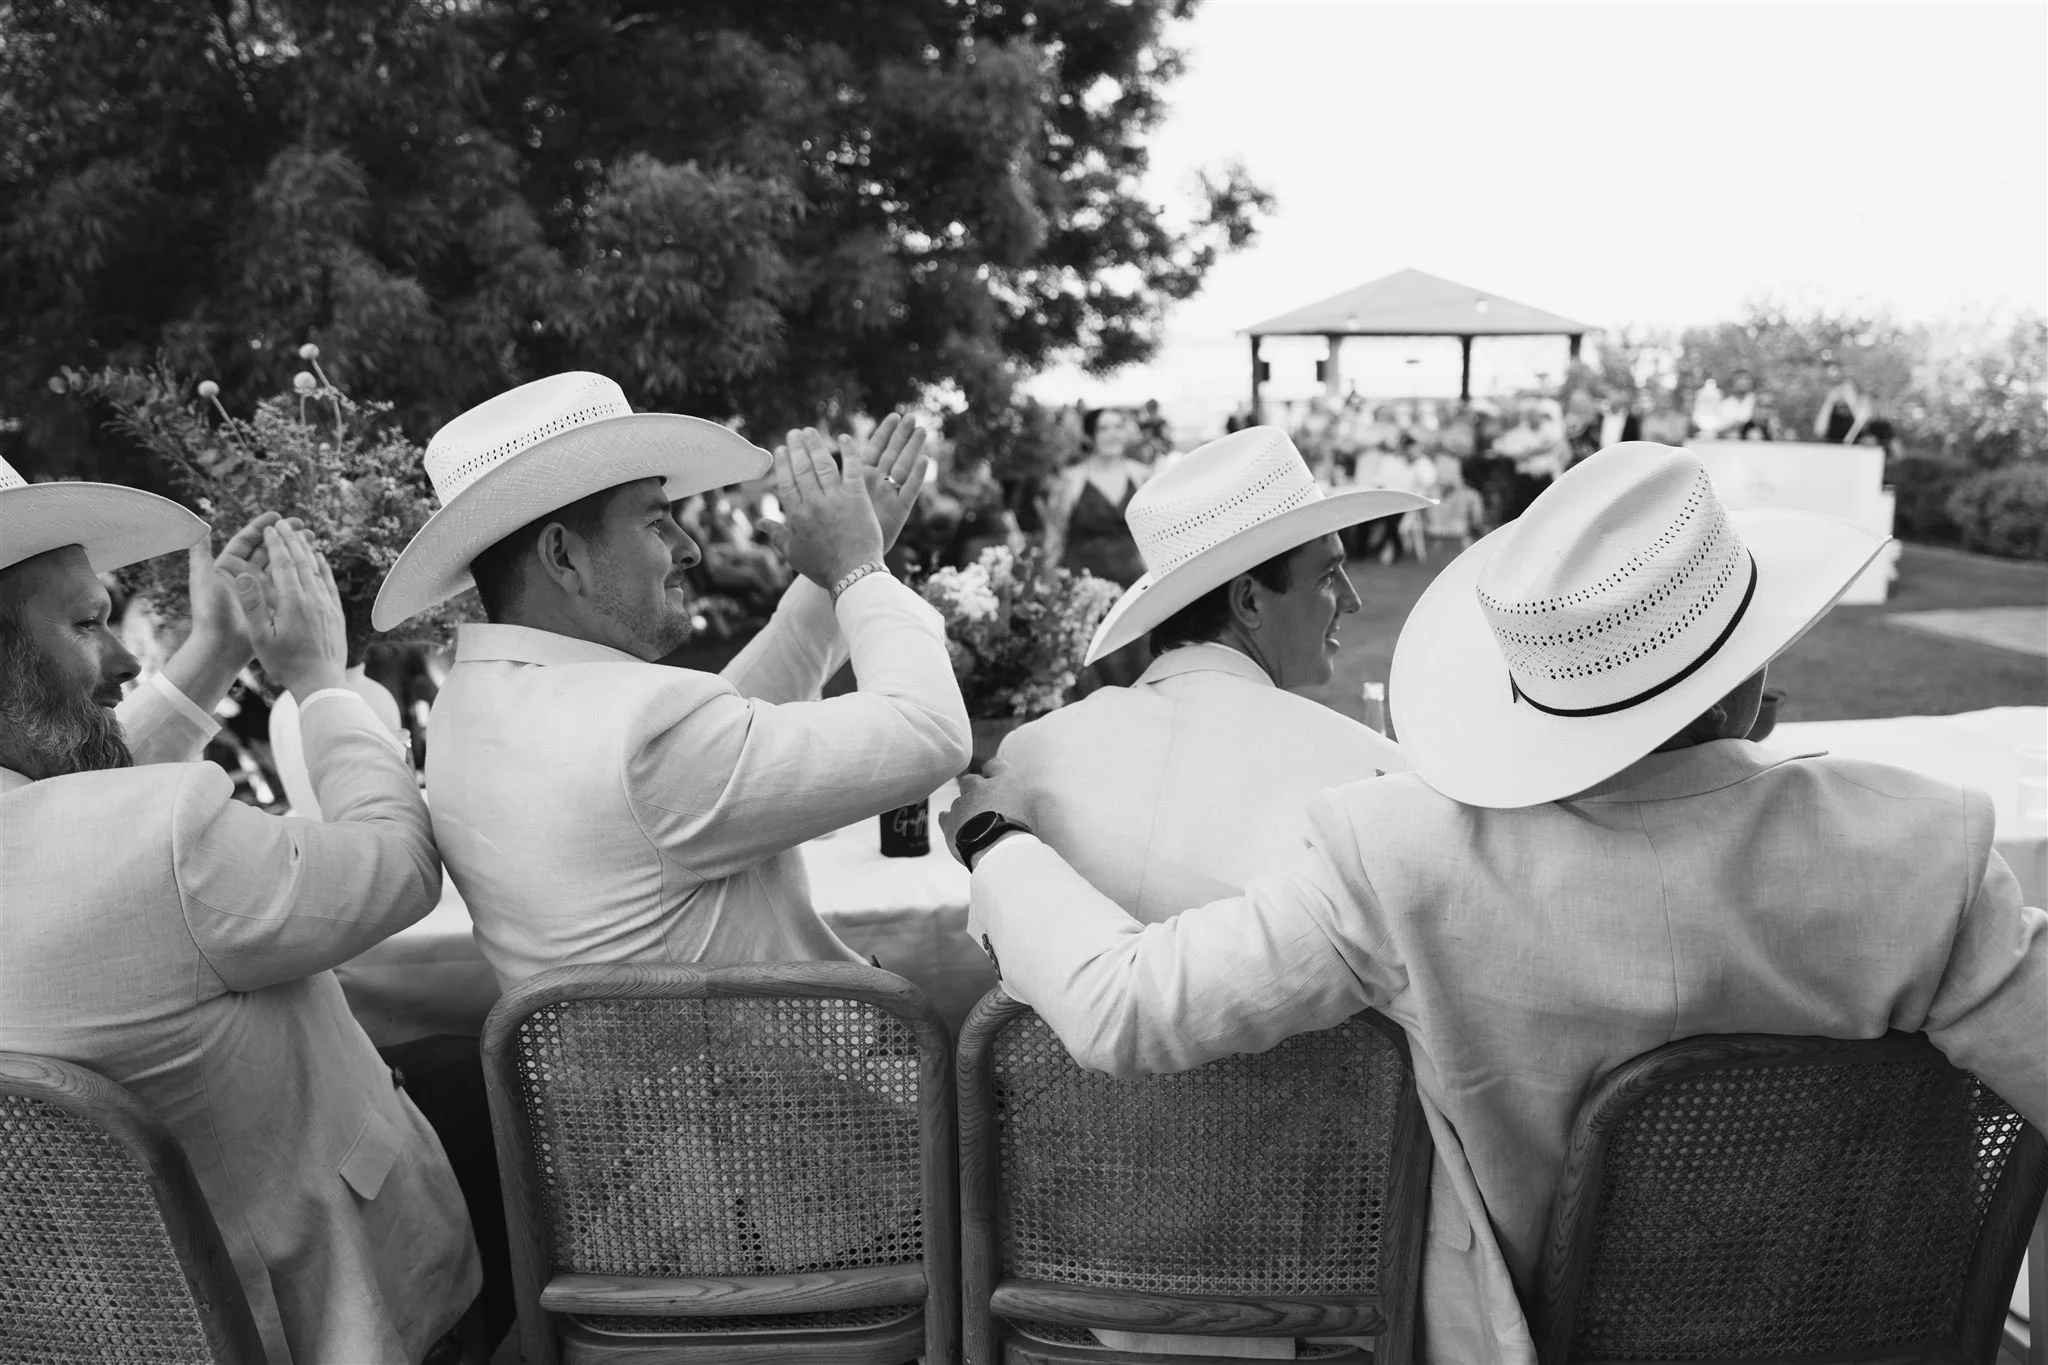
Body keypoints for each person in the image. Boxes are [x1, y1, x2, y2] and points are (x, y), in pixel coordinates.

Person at [941, 443, 2045, 1363]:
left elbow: (1124, 1007)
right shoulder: (1919, 849)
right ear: (1747, 669)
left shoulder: (1403, 855)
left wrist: (992, 836)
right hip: (1856, 1334)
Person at [0, 461, 480, 1364]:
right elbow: (400, 866)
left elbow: (70, 809)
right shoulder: (161, 842)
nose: (122, 657)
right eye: (89, 623)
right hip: (318, 1315)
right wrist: (323, 680)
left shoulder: (87, 831)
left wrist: (218, 647)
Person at [975, 426, 1422, 1356]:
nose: (1352, 597)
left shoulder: (1030, 761)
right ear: (1252, 599)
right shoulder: (1372, 785)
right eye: (1330, 572)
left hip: (1065, 1264)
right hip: (1315, 1281)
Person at [372, 372, 969, 992]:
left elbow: (721, 741)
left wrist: (835, 573)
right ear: (563, 557)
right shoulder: (639, 732)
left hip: (619, 1083)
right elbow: (930, 731)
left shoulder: (467, 704)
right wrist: (858, 568)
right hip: (778, 1086)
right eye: (657, 524)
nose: (690, 550)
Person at [1043, 407, 1153, 686]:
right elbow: (1055, 534)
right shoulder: (1071, 480)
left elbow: (1152, 530)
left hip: (1133, 583)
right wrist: (1049, 582)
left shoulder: (1142, 476)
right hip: (1085, 585)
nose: (1112, 434)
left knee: (1138, 661)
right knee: (1093, 663)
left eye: (1118, 426)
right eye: (1104, 428)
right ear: (1091, 435)